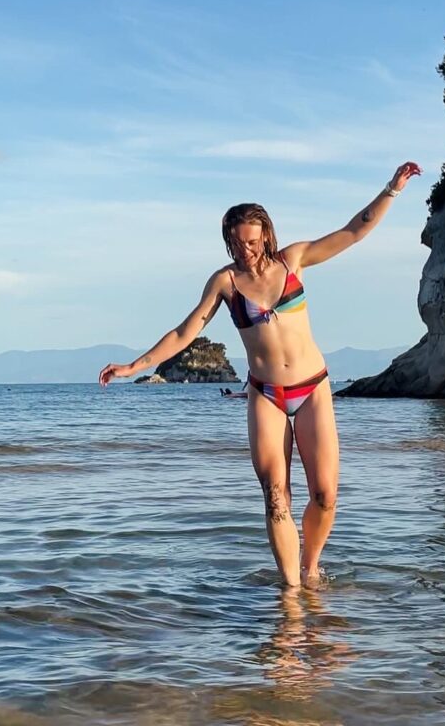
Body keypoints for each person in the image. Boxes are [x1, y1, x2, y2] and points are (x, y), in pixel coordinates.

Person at [99, 162, 422, 587]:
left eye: (251, 242)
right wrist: (134, 367)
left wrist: (391, 190)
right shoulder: (225, 282)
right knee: (275, 497)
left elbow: (353, 231)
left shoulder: (294, 260)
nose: (245, 251)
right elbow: (184, 330)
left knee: (325, 496)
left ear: (266, 235)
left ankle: (310, 571)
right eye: (236, 243)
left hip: (313, 389)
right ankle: (289, 594)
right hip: (266, 394)